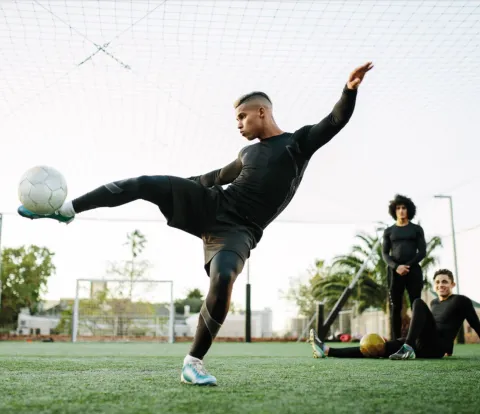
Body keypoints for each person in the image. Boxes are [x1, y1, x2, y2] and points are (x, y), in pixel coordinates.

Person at [18, 61, 374, 386]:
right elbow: (215, 177)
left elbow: (335, 121)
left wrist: (349, 90)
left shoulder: (297, 144)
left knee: (223, 278)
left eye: (241, 117)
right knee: (145, 182)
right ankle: (68, 209)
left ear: (261, 111)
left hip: (239, 231)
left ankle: (193, 362)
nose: (238, 124)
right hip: (212, 204)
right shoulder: (247, 153)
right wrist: (178, 187)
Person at [308, 268, 480, 360]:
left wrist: (446, 348)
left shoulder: (461, 300)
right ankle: (327, 350)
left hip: (434, 347)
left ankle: (408, 348)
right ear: (434, 285)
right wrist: (449, 351)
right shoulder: (435, 302)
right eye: (437, 282)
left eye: (445, 282)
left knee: (418, 302)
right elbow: (437, 323)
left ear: (453, 284)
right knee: (376, 348)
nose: (441, 285)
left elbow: (474, 324)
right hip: (422, 344)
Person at [382, 194, 427, 339]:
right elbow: (385, 253)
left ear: (409, 210)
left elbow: (422, 252)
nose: (401, 211)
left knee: (416, 305)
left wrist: (407, 266)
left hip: (413, 271)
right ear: (394, 211)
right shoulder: (389, 231)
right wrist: (396, 267)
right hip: (395, 273)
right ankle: (395, 341)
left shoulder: (416, 229)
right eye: (398, 208)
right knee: (395, 307)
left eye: (404, 208)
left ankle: (418, 339)